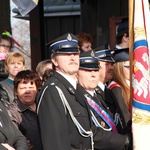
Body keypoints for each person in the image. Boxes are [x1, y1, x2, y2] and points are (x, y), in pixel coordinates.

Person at [36, 33, 130, 150]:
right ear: (55, 61)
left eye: (75, 53)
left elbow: (89, 131)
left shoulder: (72, 89)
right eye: (66, 54)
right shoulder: (53, 90)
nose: (72, 57)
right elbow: (55, 142)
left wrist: (125, 140)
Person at [76, 50, 132, 150]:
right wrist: (125, 140)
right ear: (76, 74)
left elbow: (116, 121)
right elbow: (92, 133)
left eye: (96, 69)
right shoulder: (78, 97)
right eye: (88, 70)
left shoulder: (98, 95)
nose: (93, 74)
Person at [8, 70, 42, 150]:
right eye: (23, 88)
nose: (27, 91)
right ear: (16, 91)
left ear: (37, 89)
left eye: (31, 87)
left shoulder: (44, 106)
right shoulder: (12, 113)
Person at [108, 48, 131, 128]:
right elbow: (124, 113)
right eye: (128, 67)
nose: (131, 70)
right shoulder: (115, 87)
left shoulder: (133, 84)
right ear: (119, 68)